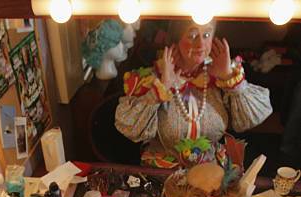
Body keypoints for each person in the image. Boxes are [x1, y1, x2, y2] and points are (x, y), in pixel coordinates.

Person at [115, 21, 273, 167]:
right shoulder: (153, 78)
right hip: (163, 172)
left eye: (206, 35)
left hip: (211, 173)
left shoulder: (222, 76)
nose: (200, 44)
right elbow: (130, 128)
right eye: (192, 36)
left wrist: (228, 78)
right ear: (175, 40)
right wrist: (163, 87)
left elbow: (252, 118)